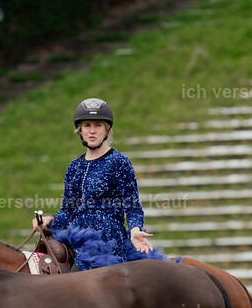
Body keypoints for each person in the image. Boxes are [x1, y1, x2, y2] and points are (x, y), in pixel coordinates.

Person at [33, 97, 160, 270]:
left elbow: (132, 207)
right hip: (76, 238)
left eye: (98, 125)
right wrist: (50, 219)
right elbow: (68, 212)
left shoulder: (119, 161)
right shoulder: (74, 167)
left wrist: (135, 229)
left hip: (106, 240)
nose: (92, 131)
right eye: (87, 125)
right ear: (80, 130)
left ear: (107, 130)